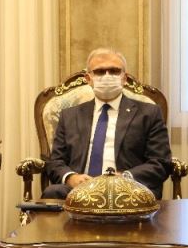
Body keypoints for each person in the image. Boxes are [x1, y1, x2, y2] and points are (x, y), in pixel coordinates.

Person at [42, 47, 172, 200]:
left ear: (124, 78)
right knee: (52, 193)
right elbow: (56, 161)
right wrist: (71, 178)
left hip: (128, 191)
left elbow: (161, 162)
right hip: (78, 192)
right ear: (88, 79)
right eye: (100, 72)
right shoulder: (69, 116)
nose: (107, 76)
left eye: (114, 71)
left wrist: (125, 178)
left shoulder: (149, 113)